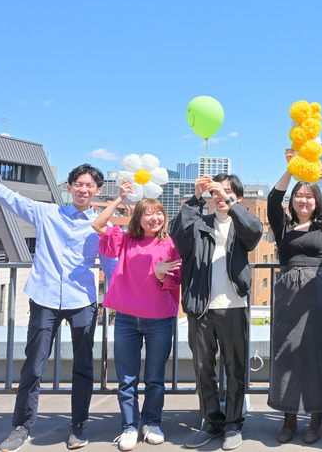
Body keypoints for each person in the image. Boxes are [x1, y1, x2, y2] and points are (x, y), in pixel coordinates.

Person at [0, 137, 107, 452]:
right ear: (69, 187)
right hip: (44, 297)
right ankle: (21, 426)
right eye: (78, 184)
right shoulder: (46, 214)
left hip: (82, 301)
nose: (83, 189)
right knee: (33, 365)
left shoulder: (100, 224)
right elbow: (7, 196)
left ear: (97, 191)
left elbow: (126, 247)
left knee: (83, 366)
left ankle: (79, 425)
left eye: (89, 185)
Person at [170, 174, 263, 450]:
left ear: (238, 197)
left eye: (227, 193)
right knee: (203, 369)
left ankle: (233, 425)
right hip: (200, 308)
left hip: (233, 305)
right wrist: (196, 198)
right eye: (216, 194)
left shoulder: (240, 224)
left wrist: (231, 203)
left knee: (235, 369)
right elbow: (177, 233)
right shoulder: (200, 224)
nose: (220, 198)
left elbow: (255, 230)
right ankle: (211, 422)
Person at [93, 181, 182, 451]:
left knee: (155, 377)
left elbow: (177, 277)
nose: (154, 218)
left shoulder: (169, 243)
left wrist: (160, 275)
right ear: (138, 218)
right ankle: (130, 426)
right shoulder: (125, 240)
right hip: (126, 319)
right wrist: (118, 198)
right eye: (148, 213)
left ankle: (152, 423)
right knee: (127, 378)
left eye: (158, 213)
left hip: (160, 319)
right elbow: (98, 225)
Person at [266, 150, 322, 445]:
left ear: (316, 201)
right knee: (285, 353)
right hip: (286, 291)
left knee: (315, 353)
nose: (304, 200)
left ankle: (316, 418)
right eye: (299, 195)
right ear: (293, 200)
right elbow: (272, 199)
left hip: (316, 291)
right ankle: (288, 417)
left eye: (310, 196)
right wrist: (291, 169)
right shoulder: (282, 225)